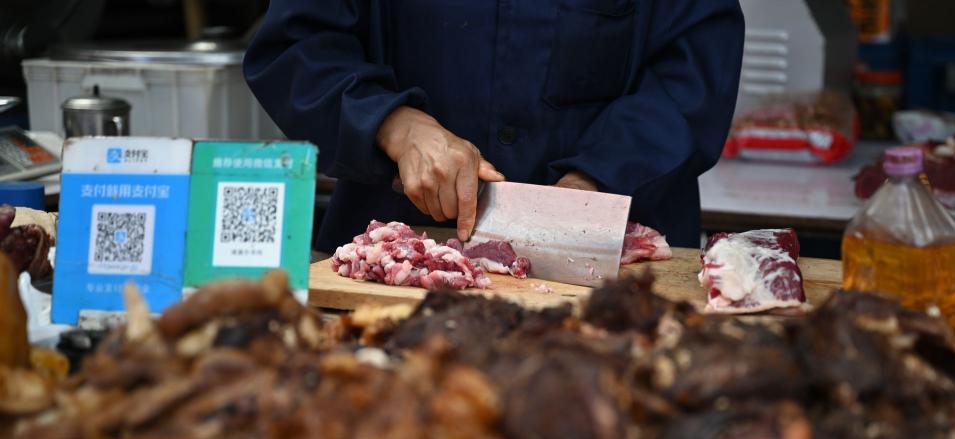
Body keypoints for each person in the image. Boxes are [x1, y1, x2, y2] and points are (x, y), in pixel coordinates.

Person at [244, 0, 745, 252]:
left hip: (615, 251)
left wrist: (598, 177)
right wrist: (393, 124)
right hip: (401, 251)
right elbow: (298, 42)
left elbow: (695, 68)